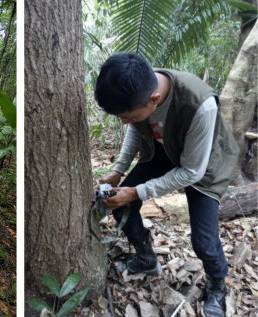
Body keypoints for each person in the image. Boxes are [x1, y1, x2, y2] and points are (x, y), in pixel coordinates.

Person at [95, 52, 239, 317]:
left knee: (204, 241)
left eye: (128, 116)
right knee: (120, 204)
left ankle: (217, 285)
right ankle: (146, 259)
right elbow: (134, 128)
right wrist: (119, 170)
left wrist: (137, 191)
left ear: (155, 100)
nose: (125, 122)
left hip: (204, 164)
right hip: (164, 151)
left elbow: (191, 171)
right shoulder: (139, 87)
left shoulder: (200, 104)